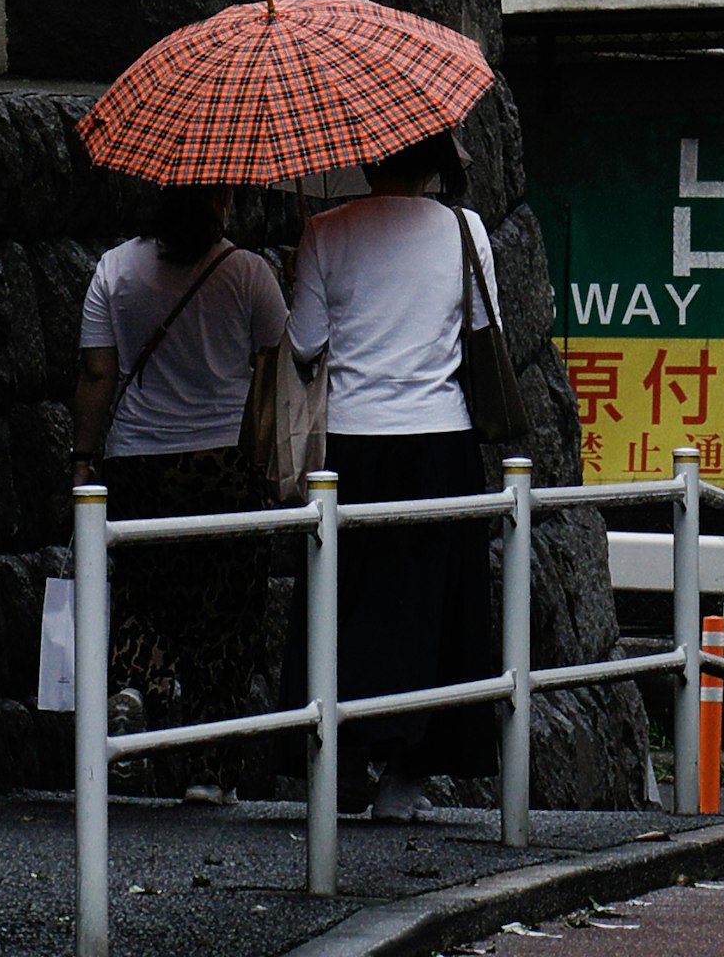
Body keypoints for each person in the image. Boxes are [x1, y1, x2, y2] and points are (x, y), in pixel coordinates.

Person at [293, 133, 502, 819]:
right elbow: (482, 326)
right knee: (436, 612)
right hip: (441, 439)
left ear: (367, 158)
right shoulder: (465, 231)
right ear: (436, 162)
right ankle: (407, 776)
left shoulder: (324, 230)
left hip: (353, 446)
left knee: (349, 605)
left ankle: (344, 752)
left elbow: (303, 344)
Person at [73, 184, 291, 793]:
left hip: (138, 461)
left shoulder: (115, 269)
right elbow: (277, 367)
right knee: (223, 618)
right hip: (224, 464)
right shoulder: (249, 273)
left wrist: (83, 459)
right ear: (221, 201)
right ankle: (207, 771)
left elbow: (97, 372)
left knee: (145, 595)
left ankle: (137, 688)